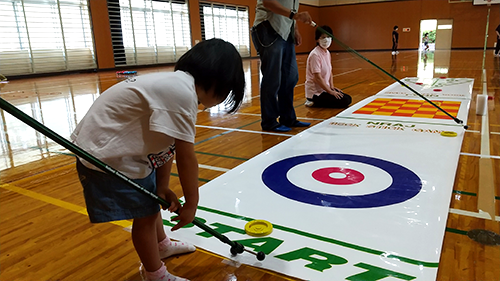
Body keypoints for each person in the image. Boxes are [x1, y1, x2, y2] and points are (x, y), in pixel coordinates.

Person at [71, 38, 245, 281]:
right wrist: (191, 205)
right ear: (219, 82)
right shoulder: (181, 93)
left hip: (124, 150)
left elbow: (167, 147)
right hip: (107, 155)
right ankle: (155, 274)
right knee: (145, 215)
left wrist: (162, 186)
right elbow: (186, 157)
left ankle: (161, 245)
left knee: (151, 206)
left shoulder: (179, 87)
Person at [251, 0, 313, 132]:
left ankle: (288, 118)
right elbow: (268, 2)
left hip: (286, 33)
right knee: (272, 78)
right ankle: (269, 121)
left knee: (290, 77)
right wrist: (295, 16)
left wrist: (295, 29)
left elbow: (292, 10)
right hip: (268, 29)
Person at [304, 25, 352, 108]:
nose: (326, 40)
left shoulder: (327, 53)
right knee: (344, 101)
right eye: (323, 37)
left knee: (347, 98)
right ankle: (312, 101)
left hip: (325, 90)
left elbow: (330, 72)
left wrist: (332, 87)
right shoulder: (315, 54)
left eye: (328, 37)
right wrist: (330, 92)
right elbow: (317, 77)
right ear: (317, 39)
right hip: (316, 93)